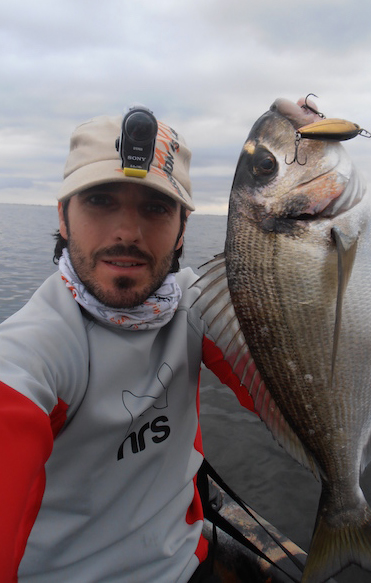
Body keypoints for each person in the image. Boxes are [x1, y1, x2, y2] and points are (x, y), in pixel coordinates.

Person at [0, 108, 255, 582]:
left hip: (186, 563)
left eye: (156, 208)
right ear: (63, 215)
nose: (127, 233)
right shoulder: (34, 350)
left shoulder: (198, 303)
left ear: (183, 227)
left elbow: (284, 392)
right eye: (100, 199)